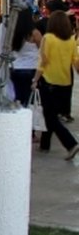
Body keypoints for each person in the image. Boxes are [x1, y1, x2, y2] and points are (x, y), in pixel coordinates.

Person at [32, 10, 79, 158]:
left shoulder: (48, 38)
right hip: (65, 82)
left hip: (49, 81)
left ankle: (71, 143)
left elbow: (43, 61)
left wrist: (35, 79)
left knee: (50, 117)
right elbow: (75, 61)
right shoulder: (71, 40)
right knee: (51, 114)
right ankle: (45, 145)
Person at [10, 8, 42, 109]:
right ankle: (28, 121)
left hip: (16, 68)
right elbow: (42, 51)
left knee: (19, 98)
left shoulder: (13, 33)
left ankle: (19, 119)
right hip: (31, 68)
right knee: (30, 101)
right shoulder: (35, 33)